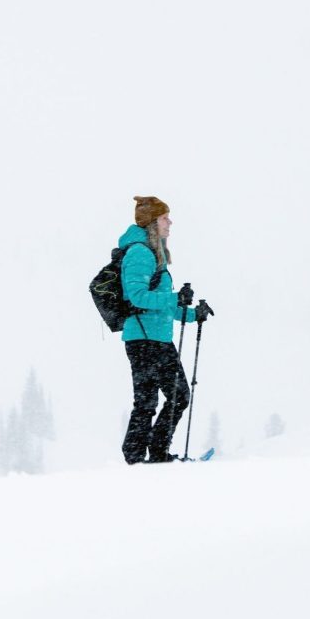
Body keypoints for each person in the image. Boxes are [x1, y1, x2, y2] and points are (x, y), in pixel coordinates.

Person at [119, 196, 213, 464]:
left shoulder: (153, 253)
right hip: (145, 339)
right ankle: (144, 455)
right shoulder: (140, 253)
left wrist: (193, 314)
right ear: (151, 222)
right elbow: (136, 297)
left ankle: (144, 455)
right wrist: (174, 298)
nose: (170, 222)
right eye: (164, 218)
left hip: (153, 337)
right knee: (172, 396)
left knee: (157, 399)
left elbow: (161, 305)